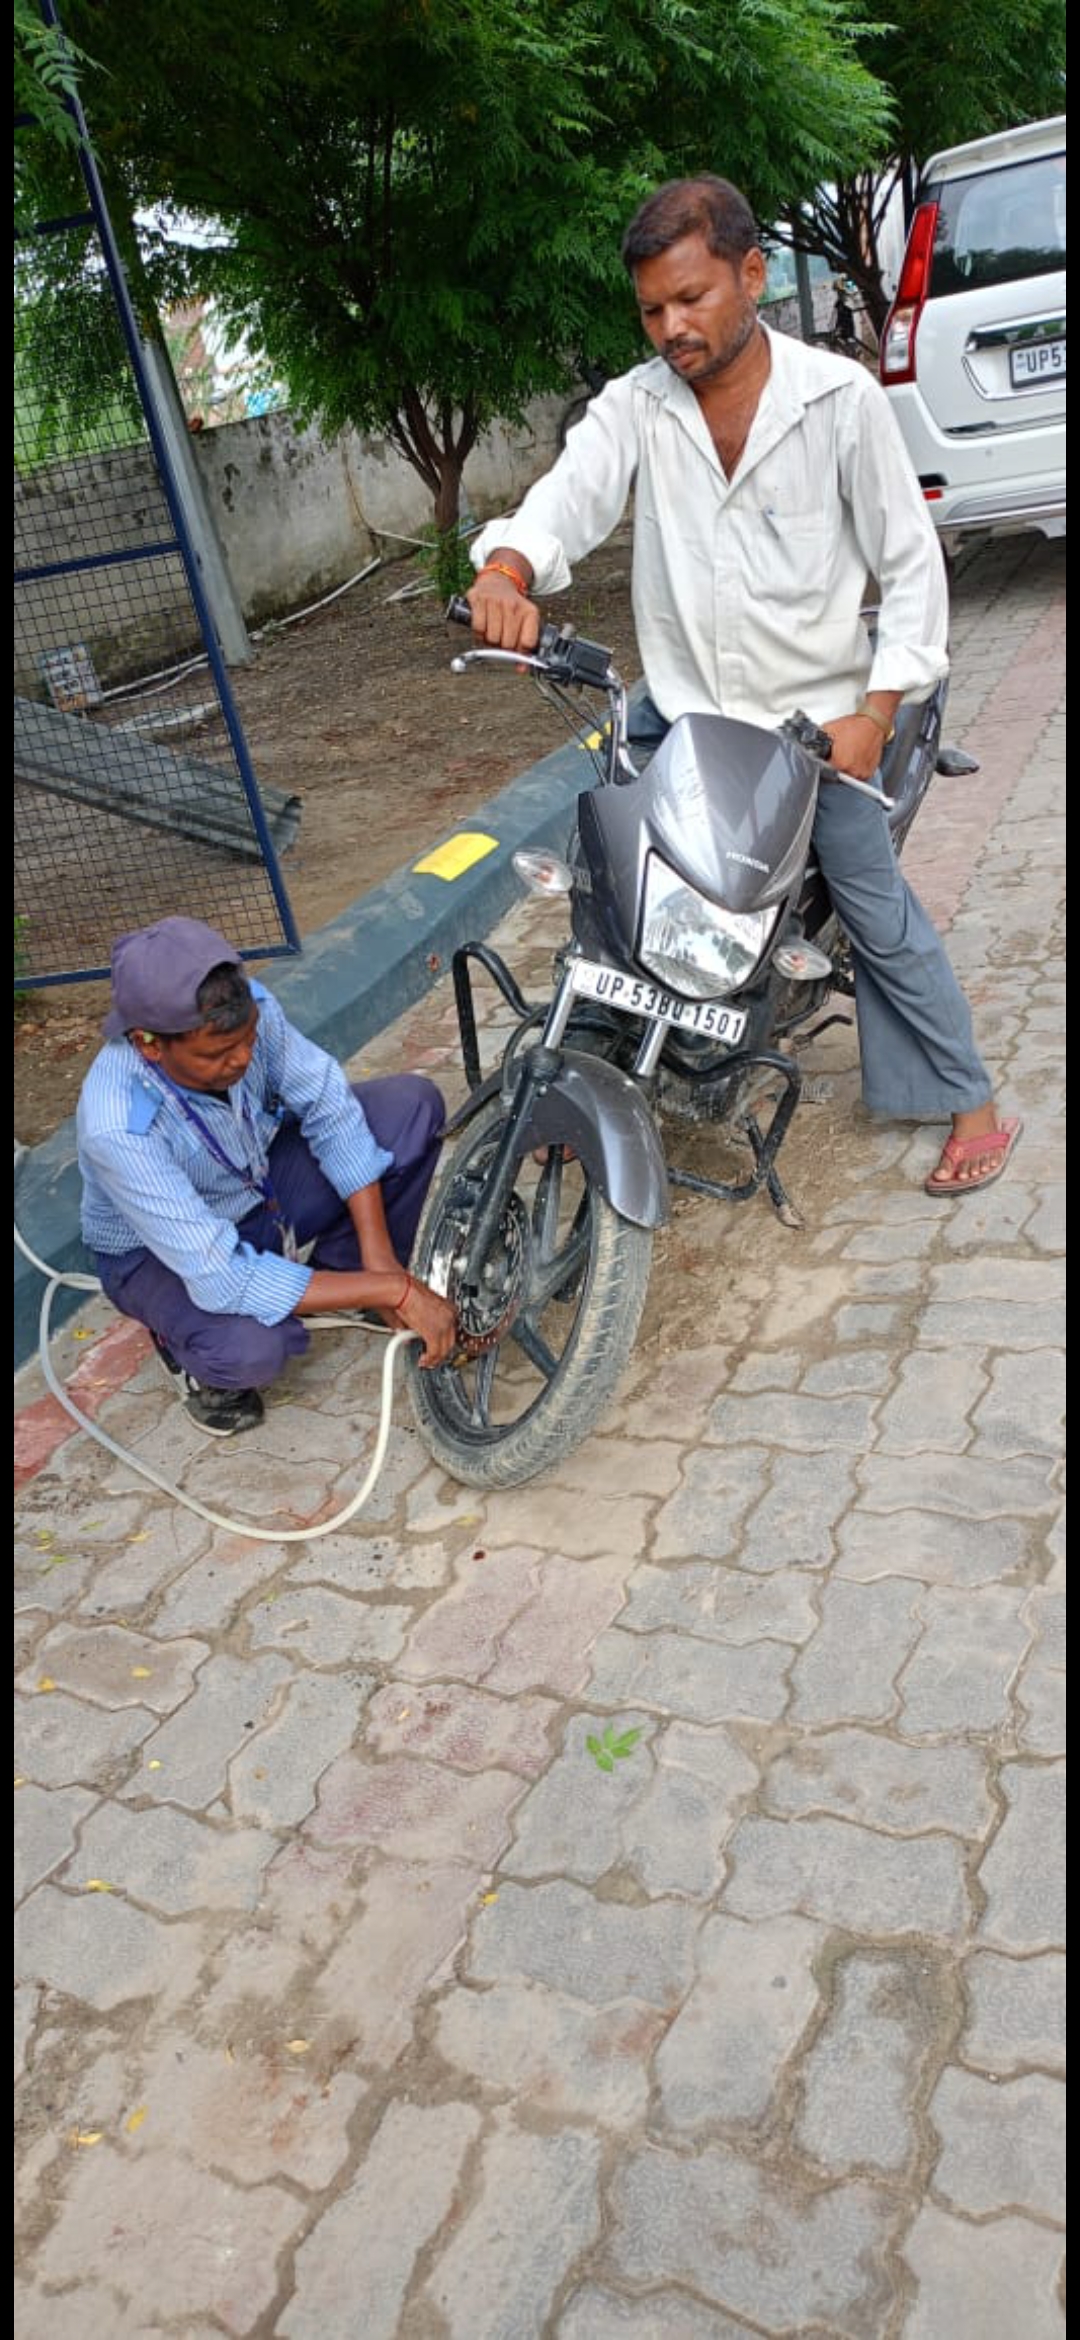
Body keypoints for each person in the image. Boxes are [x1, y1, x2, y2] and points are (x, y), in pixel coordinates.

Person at [466, 174, 1022, 1201]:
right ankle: (597, 1077)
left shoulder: (838, 401)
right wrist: (507, 567)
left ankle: (973, 1098)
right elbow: (566, 499)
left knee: (875, 907)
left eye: (692, 298)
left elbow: (909, 568)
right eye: (652, 310)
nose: (672, 327)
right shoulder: (635, 408)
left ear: (751, 274)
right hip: (684, 720)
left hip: (812, 735)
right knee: (607, 896)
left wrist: (876, 712)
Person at [76, 917, 457, 1436]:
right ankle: (186, 1355)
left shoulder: (246, 1009)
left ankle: (349, 1273)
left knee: (409, 1108)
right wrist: (401, 1291)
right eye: (217, 1054)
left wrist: (379, 1260)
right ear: (148, 1044)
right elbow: (220, 1274)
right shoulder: (117, 1124)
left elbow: (328, 1105)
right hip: (161, 1255)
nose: (244, 1057)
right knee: (251, 1351)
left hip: (257, 1190)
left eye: (249, 1039)